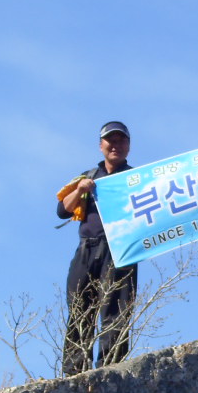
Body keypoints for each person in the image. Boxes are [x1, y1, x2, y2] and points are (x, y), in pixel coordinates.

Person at [56, 121, 138, 374]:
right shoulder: (88, 177)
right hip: (87, 248)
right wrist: (80, 191)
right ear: (101, 145)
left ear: (128, 145)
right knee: (80, 310)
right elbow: (62, 211)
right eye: (110, 141)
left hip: (120, 249)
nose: (116, 146)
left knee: (116, 311)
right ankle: (74, 372)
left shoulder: (136, 178)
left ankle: (111, 369)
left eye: (121, 141)